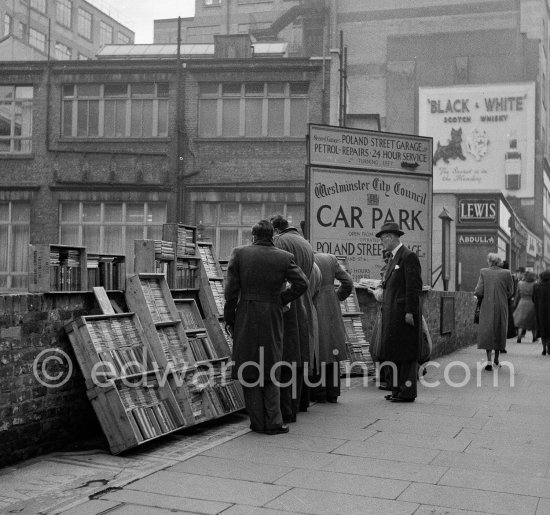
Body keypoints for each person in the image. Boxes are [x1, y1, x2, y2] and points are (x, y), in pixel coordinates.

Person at [224, 219, 308, 435]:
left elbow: (231, 291)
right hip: (272, 313)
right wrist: (281, 299)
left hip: (247, 313)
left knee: (249, 367)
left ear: (253, 236)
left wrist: (230, 318)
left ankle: (257, 422)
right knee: (271, 366)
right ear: (272, 236)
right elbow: (302, 283)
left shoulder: (240, 253)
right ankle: (274, 421)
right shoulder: (284, 257)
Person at [270, 214, 317, 422]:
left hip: (288, 301)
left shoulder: (281, 242)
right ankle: (300, 403)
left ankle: (286, 408)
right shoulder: (304, 242)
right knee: (298, 354)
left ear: (274, 230)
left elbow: (278, 271)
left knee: (286, 356)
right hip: (303, 298)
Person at [374, 222, 423, 402]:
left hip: (403, 313)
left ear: (393, 237)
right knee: (394, 351)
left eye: (383, 238)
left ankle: (406, 392)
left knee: (406, 354)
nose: (382, 242)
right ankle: (396, 390)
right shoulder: (395, 257)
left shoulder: (408, 256)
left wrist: (410, 312)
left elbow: (413, 286)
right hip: (392, 312)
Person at [310, 252, 353, 403]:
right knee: (332, 346)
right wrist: (336, 297)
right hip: (331, 304)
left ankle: (319, 392)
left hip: (314, 303)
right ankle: (333, 392)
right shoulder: (330, 258)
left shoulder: (306, 258)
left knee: (318, 347)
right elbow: (348, 282)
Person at [474, 253, 513, 370]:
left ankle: (489, 362)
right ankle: (496, 359)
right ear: (499, 262)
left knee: (488, 331)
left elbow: (479, 291)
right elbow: (510, 291)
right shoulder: (507, 273)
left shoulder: (484, 272)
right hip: (502, 306)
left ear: (489, 261)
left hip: (487, 306)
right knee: (499, 330)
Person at [513, 270, 537, 342]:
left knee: (521, 321)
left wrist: (515, 303)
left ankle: (519, 337)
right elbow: (536, 295)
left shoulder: (520, 283)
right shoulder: (534, 284)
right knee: (533, 322)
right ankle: (534, 337)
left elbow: (517, 295)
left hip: (522, 302)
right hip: (532, 303)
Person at [533, 270, 550, 355]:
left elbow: (533, 298)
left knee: (543, 329)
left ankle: (543, 349)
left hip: (540, 311)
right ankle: (549, 348)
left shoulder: (537, 286)